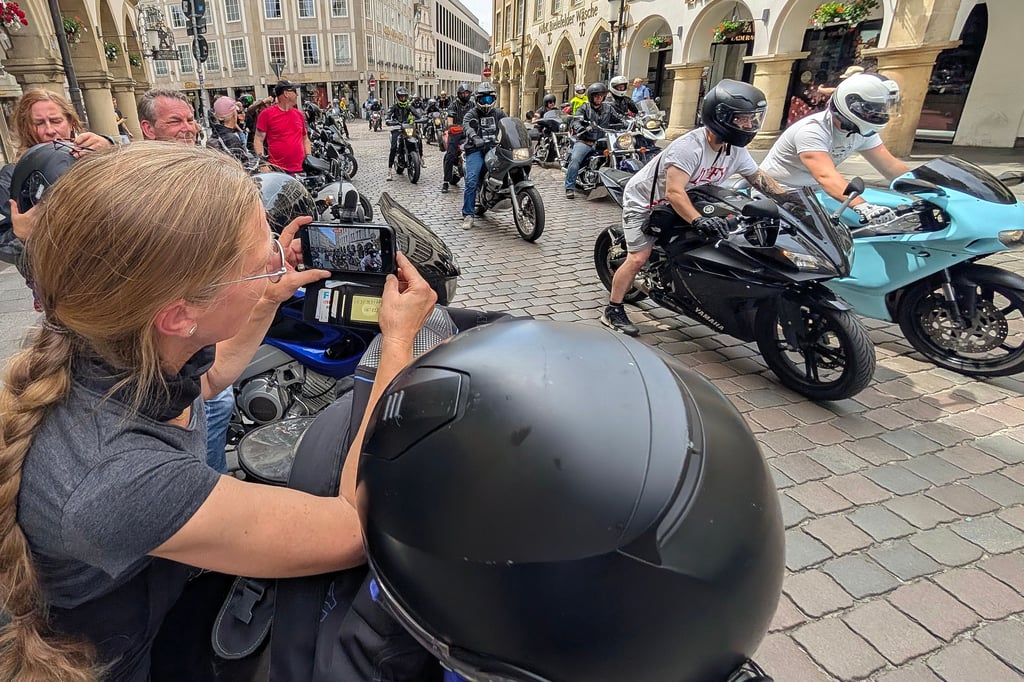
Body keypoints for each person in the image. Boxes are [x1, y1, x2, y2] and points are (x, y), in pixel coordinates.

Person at [0, 142, 438, 681]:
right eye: (260, 264)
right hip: (131, 657)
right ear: (180, 315)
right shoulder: (117, 479)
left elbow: (206, 380)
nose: (279, 261)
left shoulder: (112, 343)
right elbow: (349, 530)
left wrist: (265, 296)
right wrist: (397, 343)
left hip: (159, 595)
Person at [601, 79, 785, 336]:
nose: (749, 125)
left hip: (694, 200)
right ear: (720, 117)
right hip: (648, 201)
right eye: (742, 119)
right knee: (638, 258)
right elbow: (674, 193)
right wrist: (698, 221)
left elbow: (760, 179)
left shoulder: (735, 150)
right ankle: (613, 309)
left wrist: (788, 201)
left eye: (752, 119)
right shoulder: (689, 148)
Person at [0, 89, 113, 308]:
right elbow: (7, 246)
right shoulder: (13, 175)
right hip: (62, 289)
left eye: (55, 120)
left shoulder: (92, 154)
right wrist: (22, 236)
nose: (50, 130)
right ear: (26, 128)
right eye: (39, 123)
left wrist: (111, 151)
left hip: (111, 274)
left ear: (70, 122)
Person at [759, 72, 908, 224]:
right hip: (779, 194)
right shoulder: (813, 130)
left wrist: (924, 185)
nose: (879, 115)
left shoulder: (862, 131)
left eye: (883, 110)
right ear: (852, 105)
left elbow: (890, 166)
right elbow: (825, 176)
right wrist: (862, 206)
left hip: (814, 194)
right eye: (873, 110)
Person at [564, 82, 627, 200]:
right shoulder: (584, 108)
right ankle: (569, 187)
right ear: (591, 97)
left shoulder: (608, 108)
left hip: (603, 141)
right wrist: (580, 128)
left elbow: (618, 117)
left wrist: (627, 122)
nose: (599, 98)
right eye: (596, 95)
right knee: (575, 160)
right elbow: (576, 121)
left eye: (601, 95)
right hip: (585, 141)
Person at [459, 82, 506, 230]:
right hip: (475, 149)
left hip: (493, 148)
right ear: (477, 100)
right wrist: (473, 136)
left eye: (489, 99)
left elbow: (509, 124)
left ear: (494, 99)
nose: (486, 103)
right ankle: (468, 214)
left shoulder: (498, 113)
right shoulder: (471, 114)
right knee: (471, 180)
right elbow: (466, 126)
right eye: (483, 100)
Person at [254, 80, 310, 175]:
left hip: (300, 170)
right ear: (286, 93)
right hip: (278, 170)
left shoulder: (299, 114)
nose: (297, 95)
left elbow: (305, 138)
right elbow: (258, 139)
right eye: (295, 92)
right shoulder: (266, 114)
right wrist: (263, 163)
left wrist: (309, 158)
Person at [442, 82, 474, 194]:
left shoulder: (472, 104)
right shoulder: (453, 105)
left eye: (467, 93)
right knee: (450, 155)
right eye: (463, 93)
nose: (466, 95)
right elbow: (450, 121)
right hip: (457, 132)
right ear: (459, 94)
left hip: (470, 131)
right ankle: (445, 181)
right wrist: (453, 126)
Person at [384, 87, 418, 181]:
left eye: (404, 97)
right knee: (394, 147)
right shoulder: (394, 106)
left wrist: (421, 119)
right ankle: (389, 170)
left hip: (407, 128)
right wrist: (388, 120)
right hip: (397, 128)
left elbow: (417, 114)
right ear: (398, 97)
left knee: (417, 139)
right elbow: (388, 114)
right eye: (401, 97)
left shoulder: (409, 106)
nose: (403, 98)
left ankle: (420, 158)